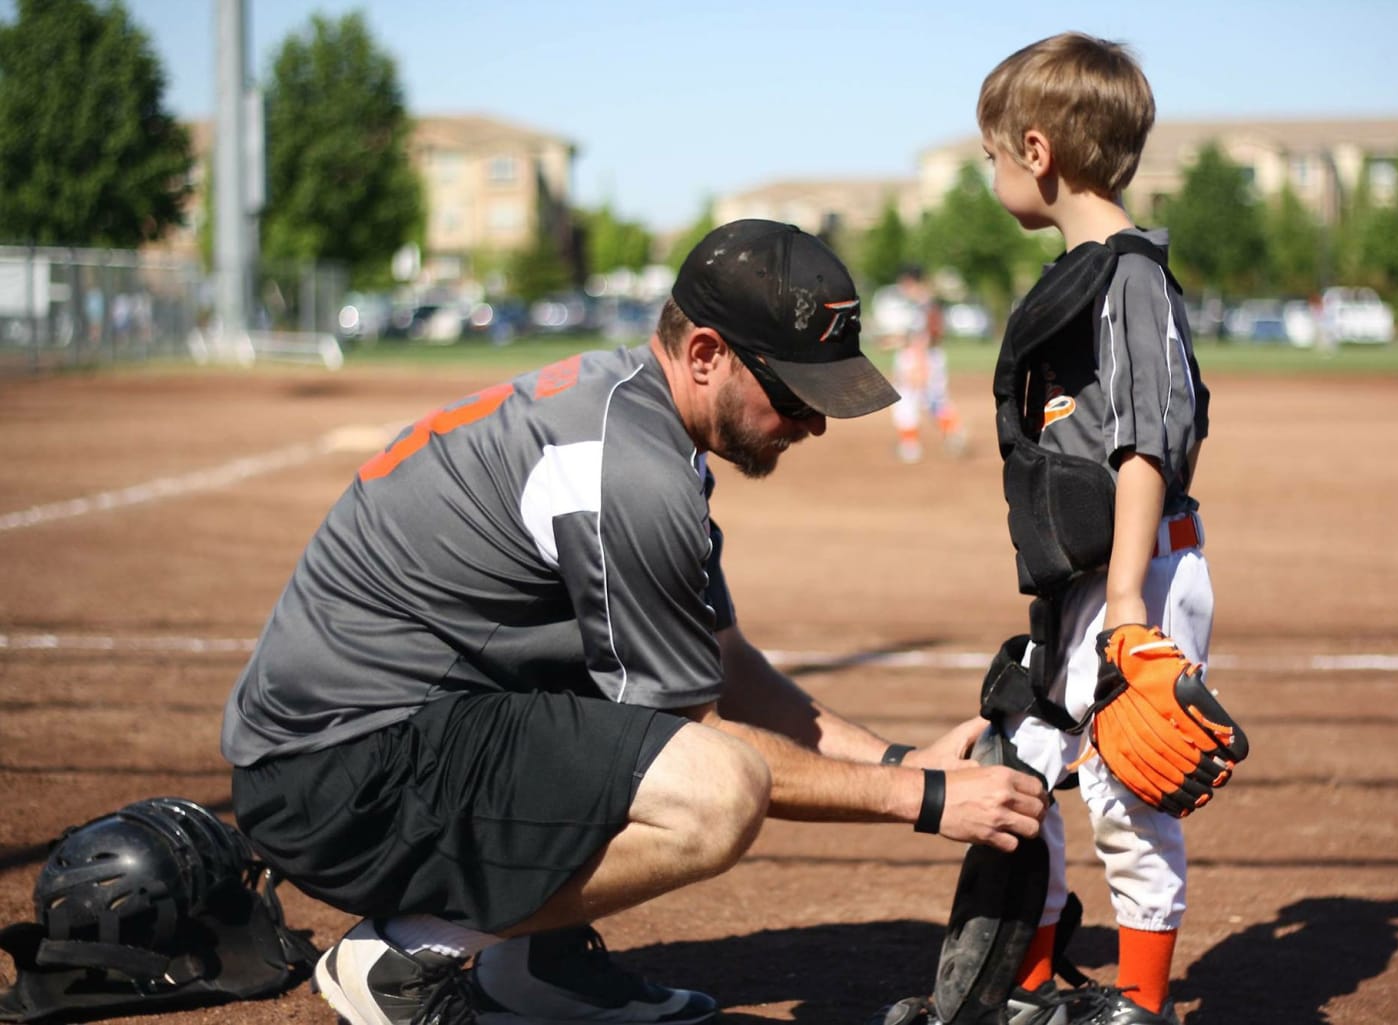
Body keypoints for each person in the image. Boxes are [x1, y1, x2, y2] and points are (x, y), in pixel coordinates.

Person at [220, 219, 1050, 1025]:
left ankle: (531, 962)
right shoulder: (630, 470)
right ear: (705, 354)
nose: (814, 424)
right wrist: (922, 796)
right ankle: (410, 953)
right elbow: (696, 733)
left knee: (638, 685)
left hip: (381, 735)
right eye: (797, 394)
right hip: (335, 771)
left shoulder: (635, 412)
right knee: (717, 791)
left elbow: (723, 664)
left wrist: (901, 759)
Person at [974, 34, 1212, 1025]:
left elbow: (1148, 446)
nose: (991, 173)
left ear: (1038, 152)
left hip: (1138, 576)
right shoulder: (1080, 275)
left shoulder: (1129, 278)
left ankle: (1141, 1003)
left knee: (1125, 786)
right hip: (1086, 580)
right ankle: (1027, 977)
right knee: (1017, 756)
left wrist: (1123, 606)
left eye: (991, 155)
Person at [882, 265, 967, 463]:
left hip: (921, 357)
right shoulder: (924, 303)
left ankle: (910, 447)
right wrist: (894, 341)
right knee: (933, 400)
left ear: (911, 282)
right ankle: (953, 433)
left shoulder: (923, 304)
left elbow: (924, 338)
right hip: (926, 356)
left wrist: (919, 366)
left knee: (907, 401)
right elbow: (916, 335)